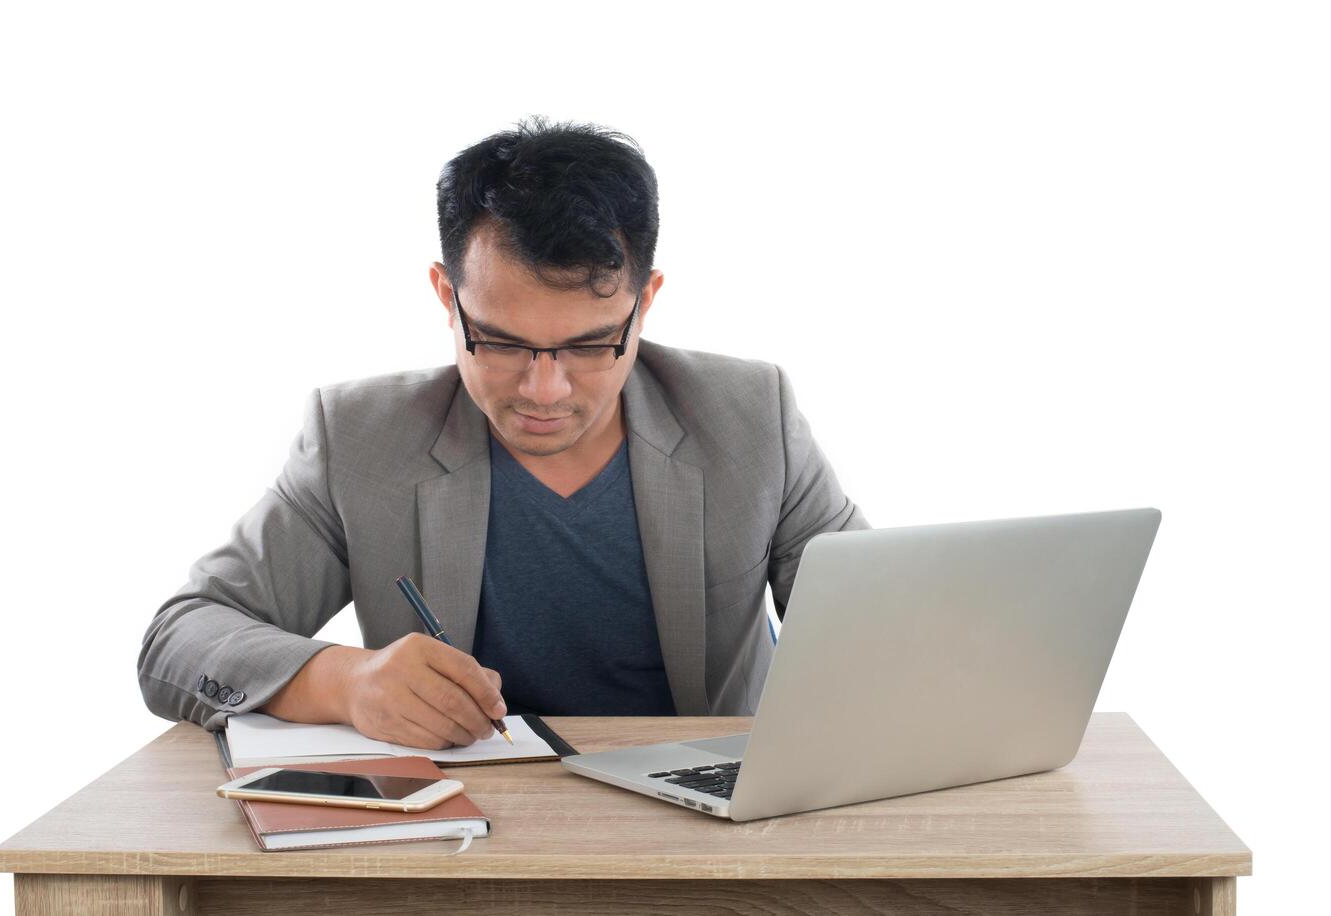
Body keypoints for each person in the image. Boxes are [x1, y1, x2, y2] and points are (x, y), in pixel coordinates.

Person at [137, 116, 868, 750]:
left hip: (711, 836)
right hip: (466, 838)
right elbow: (179, 639)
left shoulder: (749, 416)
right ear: (444, 297)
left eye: (588, 346)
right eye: (499, 341)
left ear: (644, 304)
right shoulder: (359, 440)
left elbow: (882, 626)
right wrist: (345, 681)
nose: (542, 389)